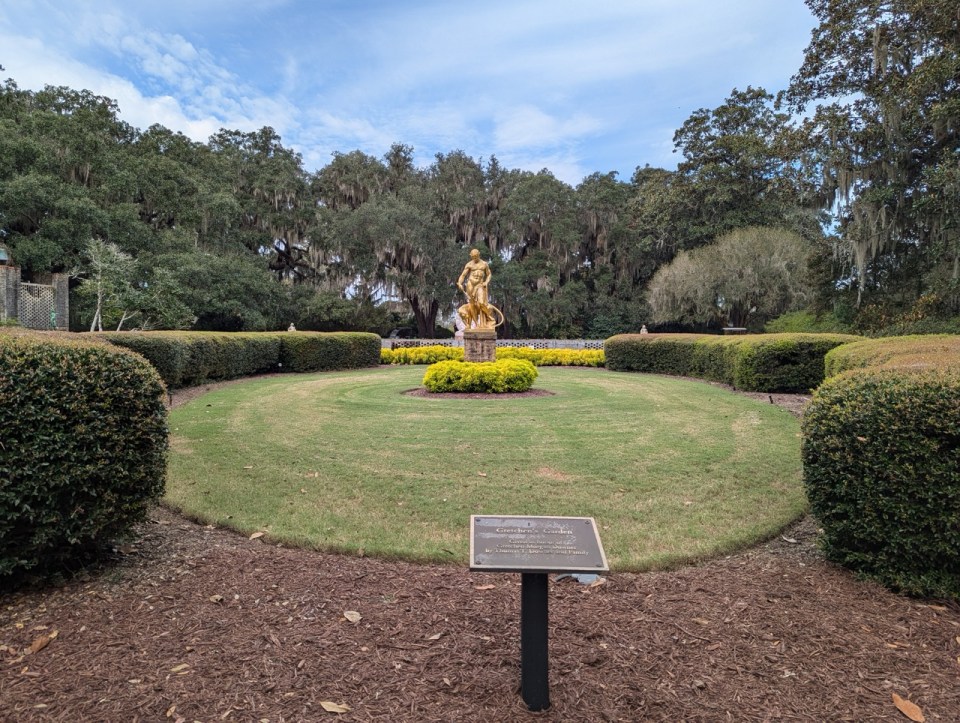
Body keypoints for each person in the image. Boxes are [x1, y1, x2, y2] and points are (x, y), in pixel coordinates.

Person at [457, 248, 496, 329]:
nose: (475, 258)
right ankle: (476, 324)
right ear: (471, 256)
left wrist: (486, 282)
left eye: (476, 256)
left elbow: (489, 274)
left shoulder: (484, 264)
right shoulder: (469, 264)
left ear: (479, 254)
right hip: (470, 284)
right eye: (473, 257)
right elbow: (463, 275)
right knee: (472, 305)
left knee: (481, 303)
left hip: (480, 285)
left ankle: (489, 317)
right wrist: (460, 283)